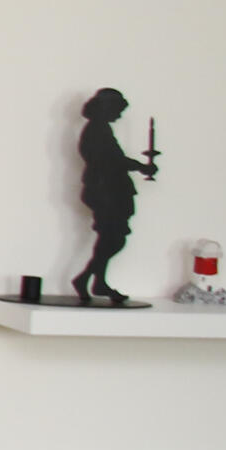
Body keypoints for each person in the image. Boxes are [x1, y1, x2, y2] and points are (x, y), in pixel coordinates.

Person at [72, 88, 155, 305]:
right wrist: (141, 167)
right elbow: (112, 160)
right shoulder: (97, 131)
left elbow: (113, 160)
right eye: (117, 111)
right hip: (106, 191)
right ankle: (88, 279)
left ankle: (94, 279)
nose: (119, 116)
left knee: (112, 238)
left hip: (111, 189)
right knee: (113, 237)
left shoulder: (101, 129)